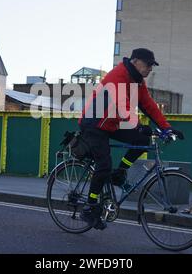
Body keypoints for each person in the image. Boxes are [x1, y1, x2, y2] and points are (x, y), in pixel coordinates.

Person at [78, 48, 184, 230]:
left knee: (142, 141)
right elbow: (122, 106)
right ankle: (90, 206)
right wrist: (138, 126)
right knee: (103, 165)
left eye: (152, 65)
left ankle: (120, 173)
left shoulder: (138, 81)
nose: (150, 68)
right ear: (135, 61)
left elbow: (148, 105)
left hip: (111, 123)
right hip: (94, 123)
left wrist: (167, 127)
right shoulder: (118, 75)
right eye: (148, 64)